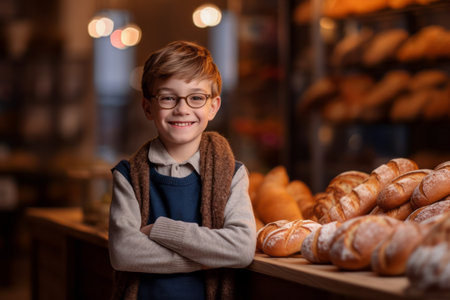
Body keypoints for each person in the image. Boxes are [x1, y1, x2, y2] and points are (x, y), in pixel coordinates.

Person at [108, 40, 256, 300]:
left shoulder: (232, 174)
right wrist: (211, 256)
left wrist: (159, 230)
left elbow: (241, 249)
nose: (182, 109)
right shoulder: (128, 174)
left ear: (213, 106)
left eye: (197, 97)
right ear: (147, 107)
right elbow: (124, 253)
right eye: (167, 97)